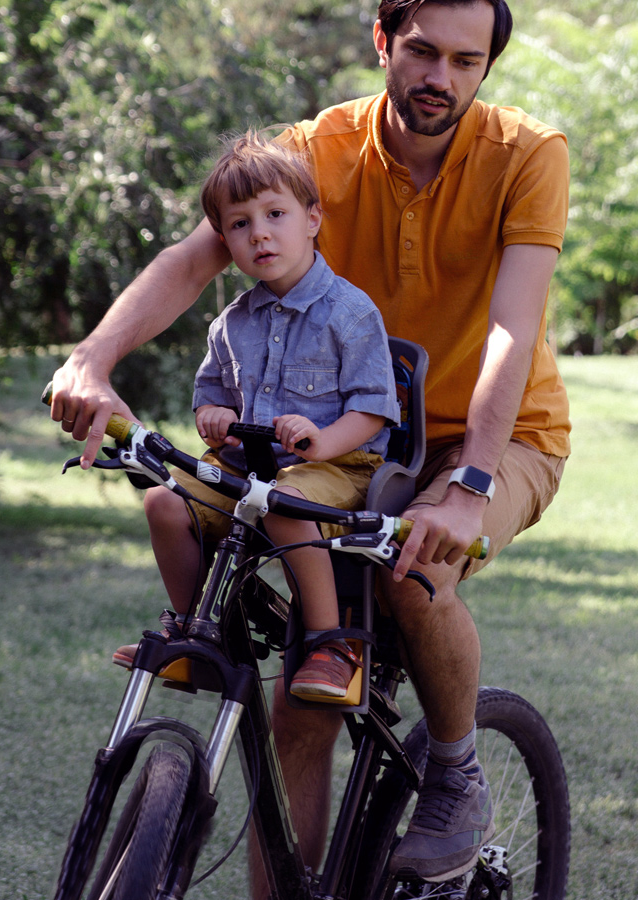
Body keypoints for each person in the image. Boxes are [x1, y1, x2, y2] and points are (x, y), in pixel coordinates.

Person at [49, 0, 570, 885]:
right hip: (333, 449)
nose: (439, 77)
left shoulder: (527, 154)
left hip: (492, 433)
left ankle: (454, 770)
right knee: (300, 708)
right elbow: (192, 257)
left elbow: (511, 334)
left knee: (416, 569)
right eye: (421, 51)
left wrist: (469, 482)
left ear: (486, 67)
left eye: (464, 60)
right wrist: (92, 359)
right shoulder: (316, 150)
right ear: (382, 41)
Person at [115, 131, 399, 701]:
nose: (259, 233)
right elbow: (209, 395)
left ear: (313, 218)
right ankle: (198, 632)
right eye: (239, 224)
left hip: (341, 466)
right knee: (166, 501)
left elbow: (372, 410)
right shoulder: (232, 322)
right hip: (249, 469)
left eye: (275, 214)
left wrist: (319, 441)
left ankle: (331, 643)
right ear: (223, 239)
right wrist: (214, 418)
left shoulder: (349, 312)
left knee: (282, 505)